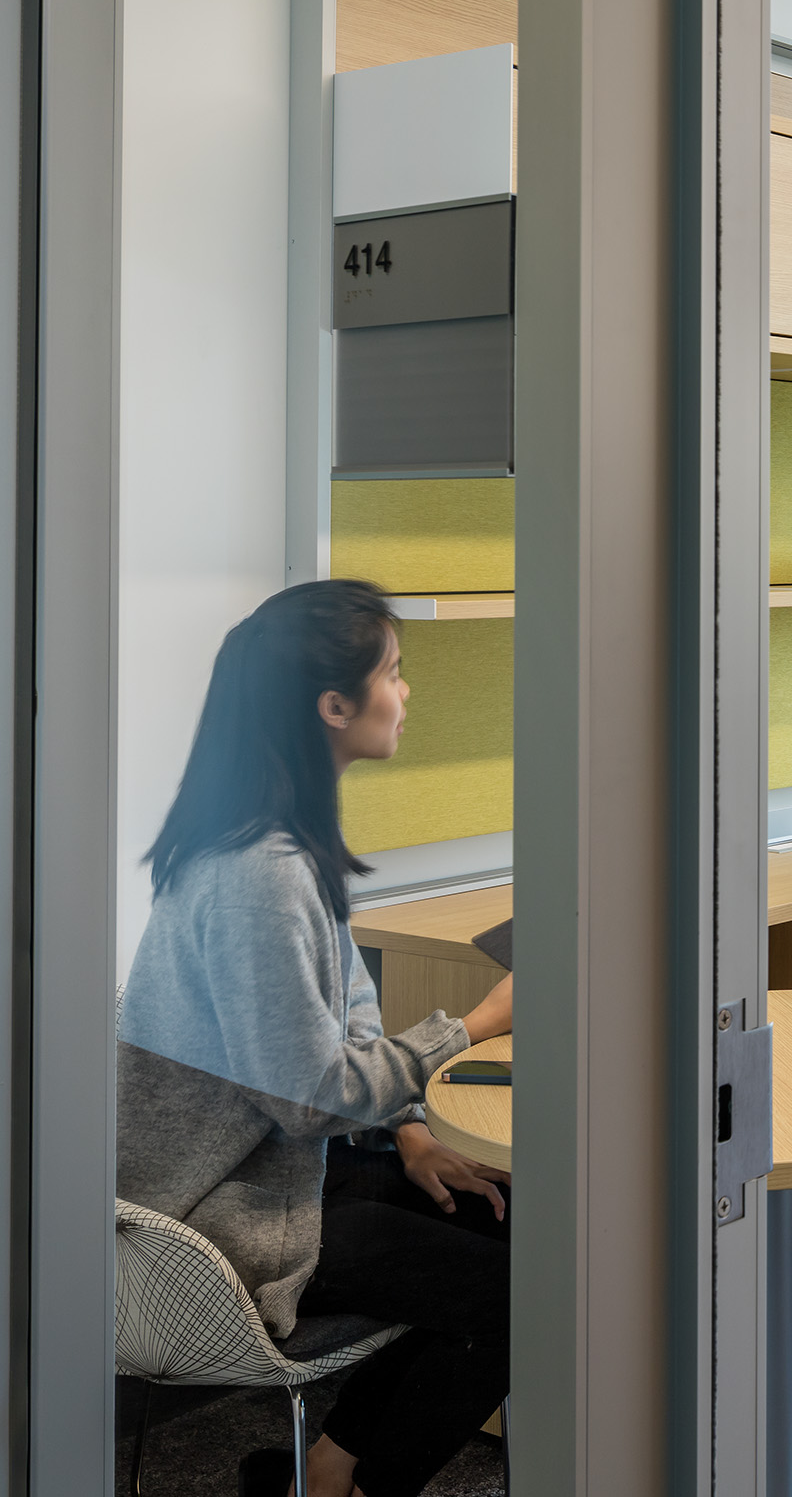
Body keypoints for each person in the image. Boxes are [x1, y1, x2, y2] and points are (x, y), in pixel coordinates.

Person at [118, 580, 515, 1497]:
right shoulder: (262, 871)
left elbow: (352, 1009)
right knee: (533, 1292)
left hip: (274, 1179)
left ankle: (325, 1472)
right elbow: (306, 1093)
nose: (407, 693)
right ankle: (350, 1485)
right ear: (333, 706)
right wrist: (477, 1025)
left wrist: (412, 1131)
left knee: (513, 1221)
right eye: (394, 674)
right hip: (217, 1230)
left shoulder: (280, 841)